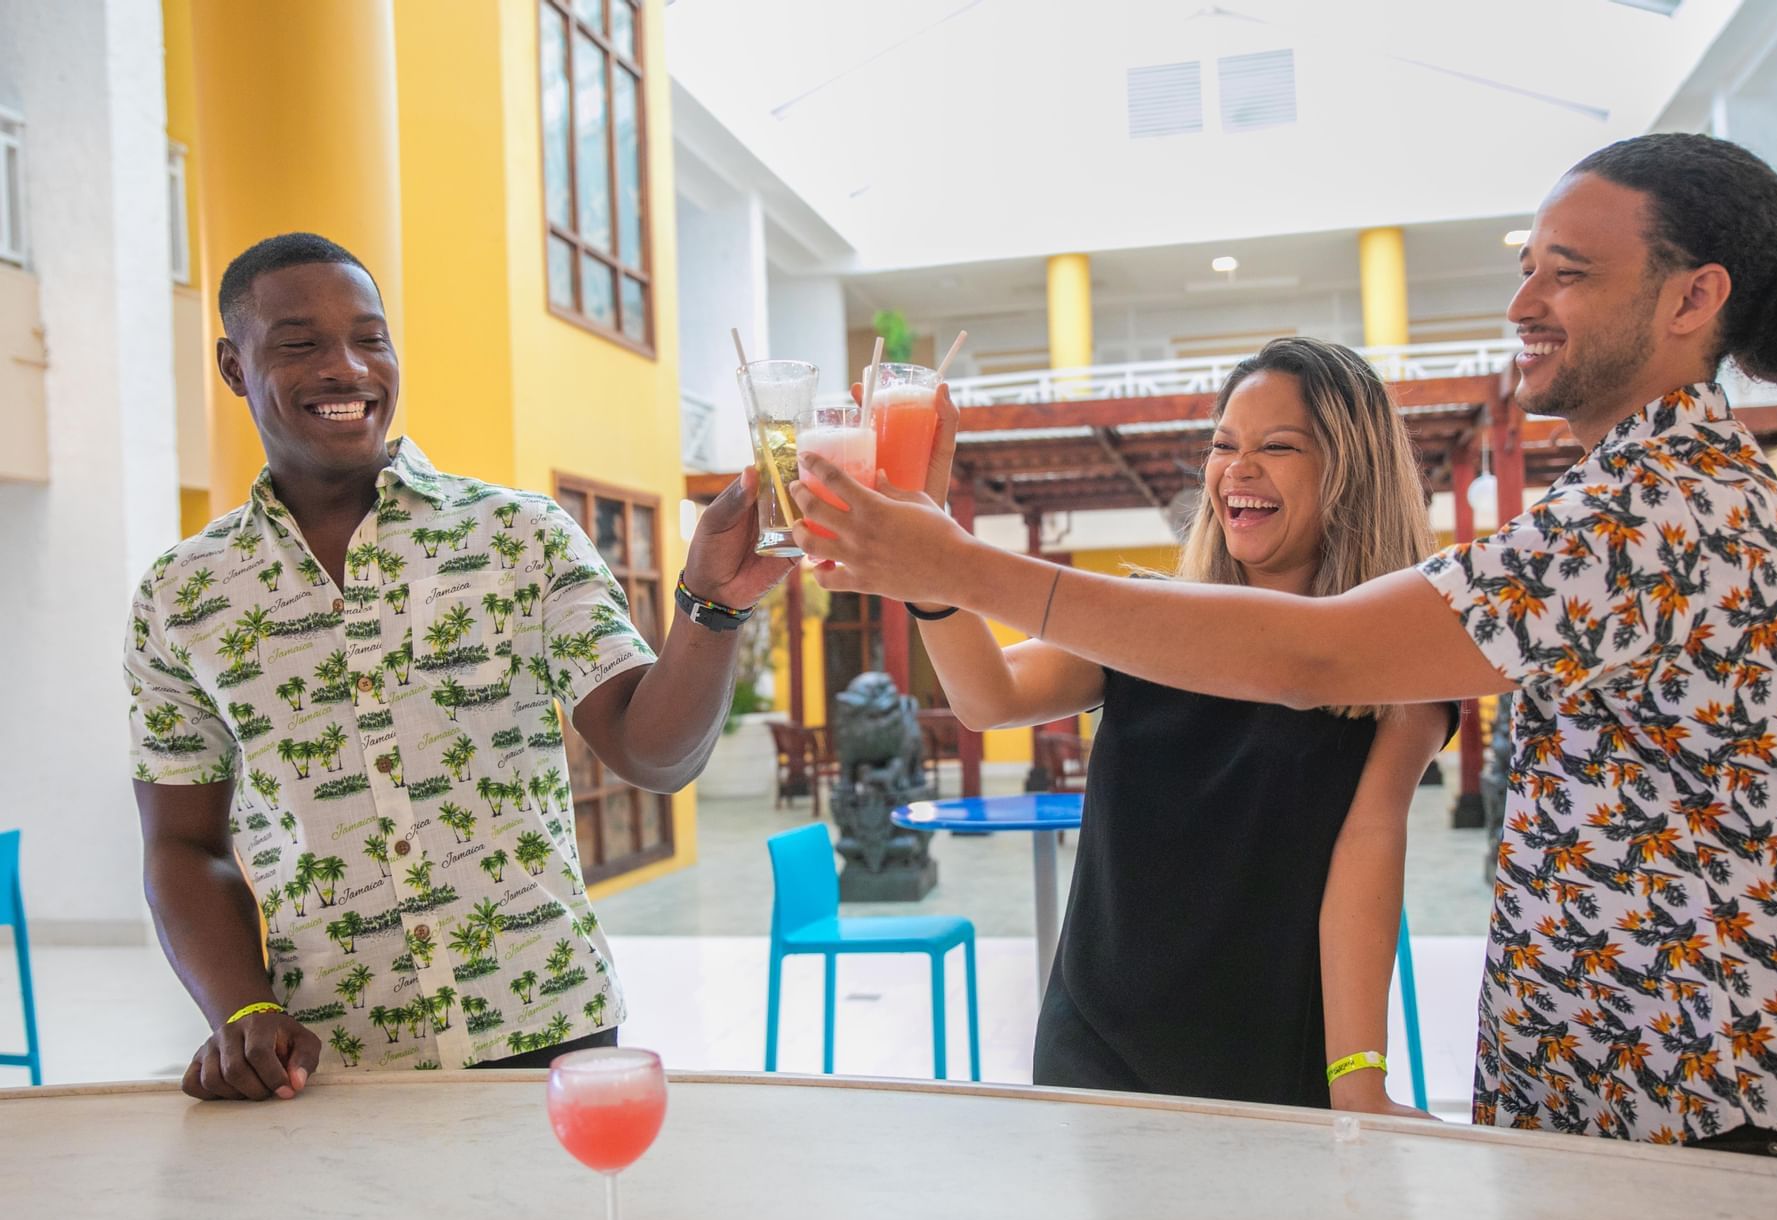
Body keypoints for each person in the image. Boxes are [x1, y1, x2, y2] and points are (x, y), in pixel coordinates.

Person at [793, 133, 1777, 1151]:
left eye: (1565, 275)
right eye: (1524, 269)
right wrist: (934, 576)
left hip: (1673, 1101)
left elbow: (1317, 666)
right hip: (1611, 1089)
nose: (1521, 306)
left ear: (1692, 298)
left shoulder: (1663, 504)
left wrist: (950, 562)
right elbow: (1002, 692)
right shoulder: (1636, 494)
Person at [129, 233, 785, 1100]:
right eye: (300, 343)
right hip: (327, 1059)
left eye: (370, 337)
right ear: (233, 365)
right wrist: (239, 1005)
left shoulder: (518, 535)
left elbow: (653, 753)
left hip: (551, 1029)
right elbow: (183, 842)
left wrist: (712, 604)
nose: (347, 367)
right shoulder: (182, 595)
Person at [889, 338, 1452, 1114]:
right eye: (1222, 446)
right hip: (1093, 1048)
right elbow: (986, 696)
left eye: (1276, 447)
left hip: (1267, 1057)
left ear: (1351, 469)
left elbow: (1368, 847)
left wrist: (1358, 1080)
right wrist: (926, 565)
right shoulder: (1145, 620)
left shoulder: (1395, 661)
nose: (1236, 469)